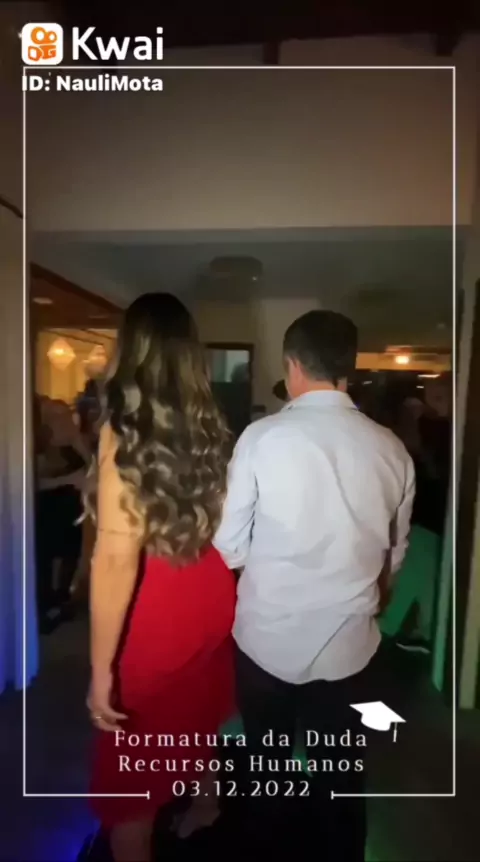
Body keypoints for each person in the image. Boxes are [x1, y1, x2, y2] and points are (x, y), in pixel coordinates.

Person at [214, 310, 415, 861]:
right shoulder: (391, 449)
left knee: (268, 770)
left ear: (292, 364)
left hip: (267, 640)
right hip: (349, 644)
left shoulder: (262, 438)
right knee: (341, 778)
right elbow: (394, 554)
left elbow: (228, 546)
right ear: (348, 366)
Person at [84, 293, 236, 862]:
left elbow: (116, 558)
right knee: (195, 702)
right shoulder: (205, 424)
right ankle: (206, 802)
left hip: (158, 604)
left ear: (133, 349)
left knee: (127, 791)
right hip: (206, 586)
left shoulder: (124, 430)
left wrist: (101, 672)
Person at [34, 396, 89, 631]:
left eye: (66, 413)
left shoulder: (72, 444)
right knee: (45, 559)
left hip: (71, 510)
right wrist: (68, 480)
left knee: (70, 554)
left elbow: (92, 468)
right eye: (58, 415)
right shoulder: (36, 445)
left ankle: (61, 599)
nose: (64, 419)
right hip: (46, 510)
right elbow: (31, 484)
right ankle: (45, 606)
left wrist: (77, 440)